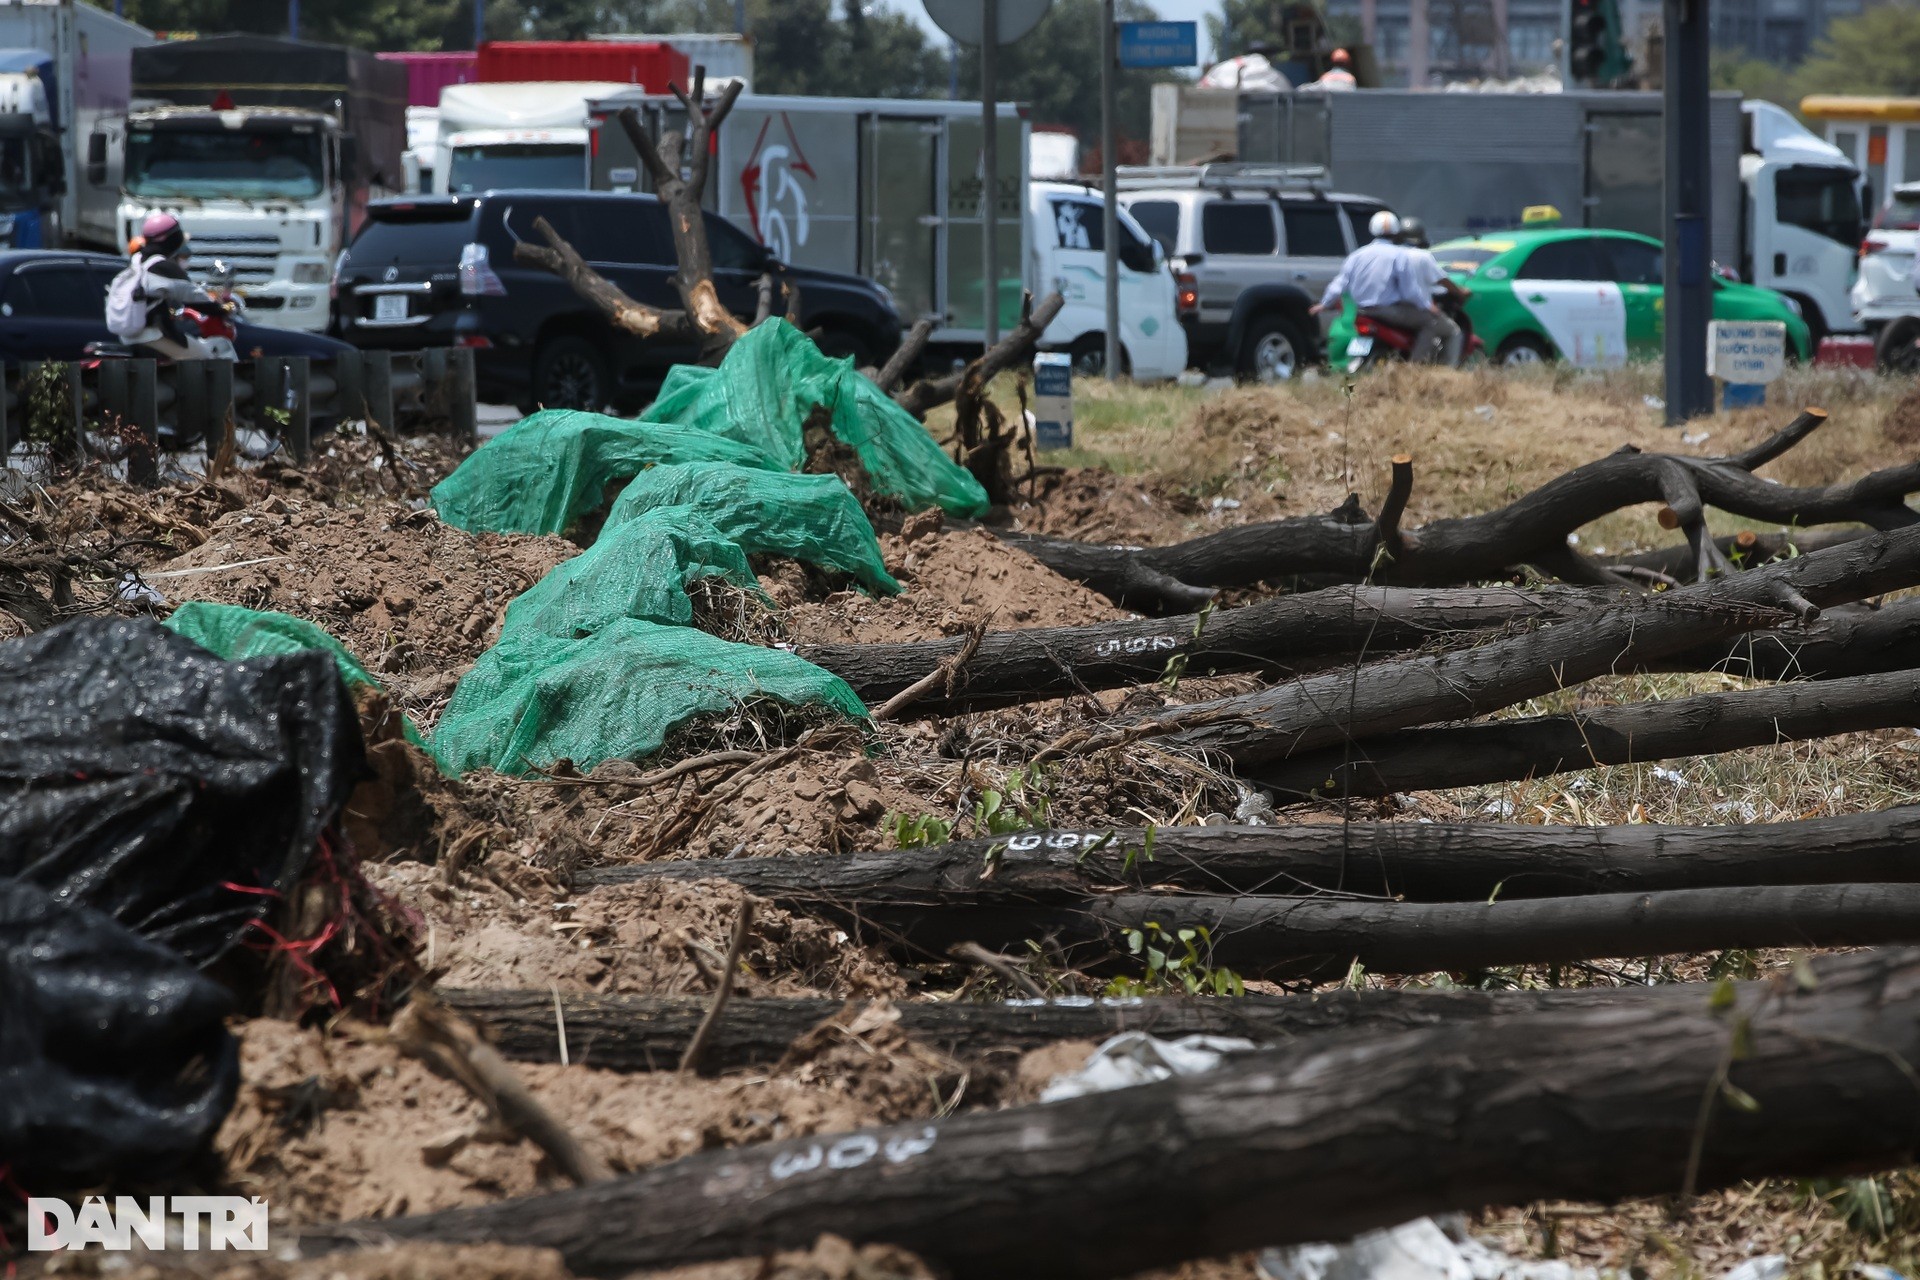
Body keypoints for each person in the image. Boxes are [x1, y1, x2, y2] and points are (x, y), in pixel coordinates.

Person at [105, 212, 221, 359]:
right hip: (152, 336)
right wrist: (220, 309)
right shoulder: (162, 266)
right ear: (172, 239)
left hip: (128, 336)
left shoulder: (137, 261)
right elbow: (193, 296)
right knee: (206, 359)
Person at [1310, 209, 1412, 347]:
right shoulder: (1402, 255)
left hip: (1360, 311)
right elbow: (1411, 285)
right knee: (1427, 322)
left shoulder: (1357, 255)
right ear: (1397, 231)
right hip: (1390, 312)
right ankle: (1419, 362)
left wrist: (1324, 303)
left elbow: (1340, 284)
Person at [1393, 217, 1467, 367]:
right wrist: (1460, 292)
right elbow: (1442, 280)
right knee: (1453, 332)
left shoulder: (1390, 254)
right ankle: (1445, 372)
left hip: (1388, 310)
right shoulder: (1422, 256)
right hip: (1413, 310)